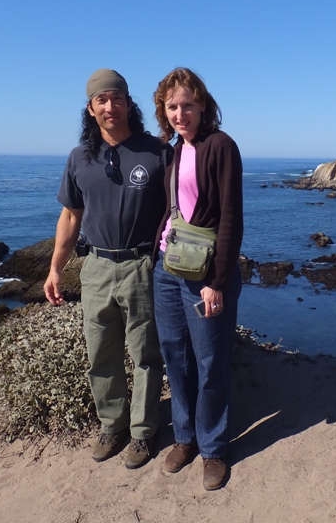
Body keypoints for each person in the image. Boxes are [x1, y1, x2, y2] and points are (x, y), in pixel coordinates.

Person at [44, 69, 170, 470]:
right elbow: (69, 216)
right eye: (102, 100)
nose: (110, 106)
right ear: (91, 108)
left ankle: (144, 433)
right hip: (95, 266)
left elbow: (181, 208)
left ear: (128, 102)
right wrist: (54, 269)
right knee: (101, 354)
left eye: (116, 98)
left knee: (146, 355)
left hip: (142, 266)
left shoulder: (158, 152)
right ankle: (112, 426)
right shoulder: (80, 157)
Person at [152, 68, 243, 491]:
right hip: (167, 269)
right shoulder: (172, 151)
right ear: (164, 110)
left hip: (205, 274)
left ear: (203, 104)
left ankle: (213, 449)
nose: (180, 112)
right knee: (176, 357)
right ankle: (184, 437)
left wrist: (217, 281)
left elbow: (230, 219)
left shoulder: (220, 146)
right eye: (172, 106)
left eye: (188, 104)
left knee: (210, 361)